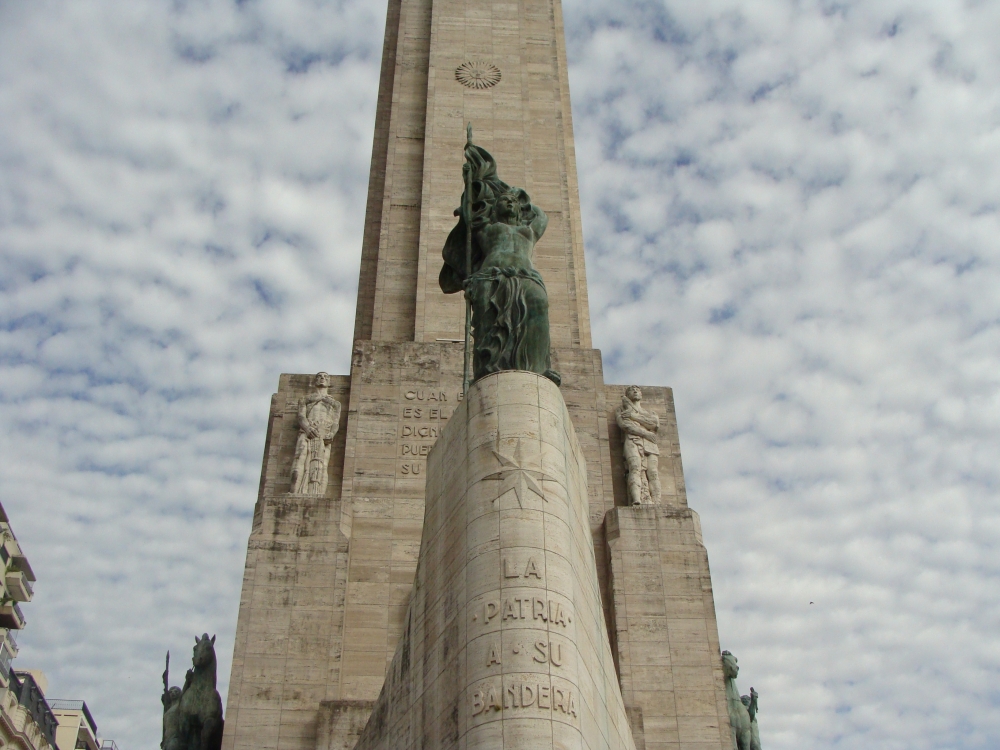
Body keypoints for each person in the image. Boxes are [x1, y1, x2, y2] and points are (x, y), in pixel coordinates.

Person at [439, 142, 559, 385]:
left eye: (513, 202)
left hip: (526, 277)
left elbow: (542, 216)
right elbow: (471, 215)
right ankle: (486, 369)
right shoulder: (489, 228)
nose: (509, 203)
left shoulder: (528, 231)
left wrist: (516, 194)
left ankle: (538, 366)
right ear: (496, 206)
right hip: (491, 277)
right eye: (504, 200)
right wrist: (474, 186)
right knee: (487, 326)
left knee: (538, 307)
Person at [290, 372, 342, 495]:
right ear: (315, 381)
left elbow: (336, 422)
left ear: (329, 382)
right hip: (307, 431)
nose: (322, 378)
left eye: (325, 377)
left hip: (324, 435)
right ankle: (295, 492)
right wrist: (308, 428)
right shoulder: (306, 399)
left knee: (321, 464)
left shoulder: (335, 403)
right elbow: (301, 416)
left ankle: (317, 494)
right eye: (319, 377)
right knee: (300, 457)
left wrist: (332, 433)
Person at [616, 386, 661, 505]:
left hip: (650, 444)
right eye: (632, 390)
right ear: (627, 395)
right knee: (635, 467)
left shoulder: (650, 413)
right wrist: (646, 433)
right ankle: (636, 499)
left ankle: (656, 502)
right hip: (633, 440)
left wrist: (633, 416)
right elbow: (625, 425)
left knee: (653, 472)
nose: (635, 391)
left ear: (641, 395)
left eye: (637, 390)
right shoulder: (621, 410)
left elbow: (654, 424)